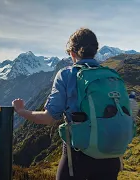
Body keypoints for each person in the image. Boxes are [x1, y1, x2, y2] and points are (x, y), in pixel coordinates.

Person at [12, 28, 134, 180]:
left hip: (78, 157)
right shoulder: (112, 75)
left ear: (72, 53)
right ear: (95, 51)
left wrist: (22, 111)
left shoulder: (67, 74)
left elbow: (48, 118)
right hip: (112, 154)